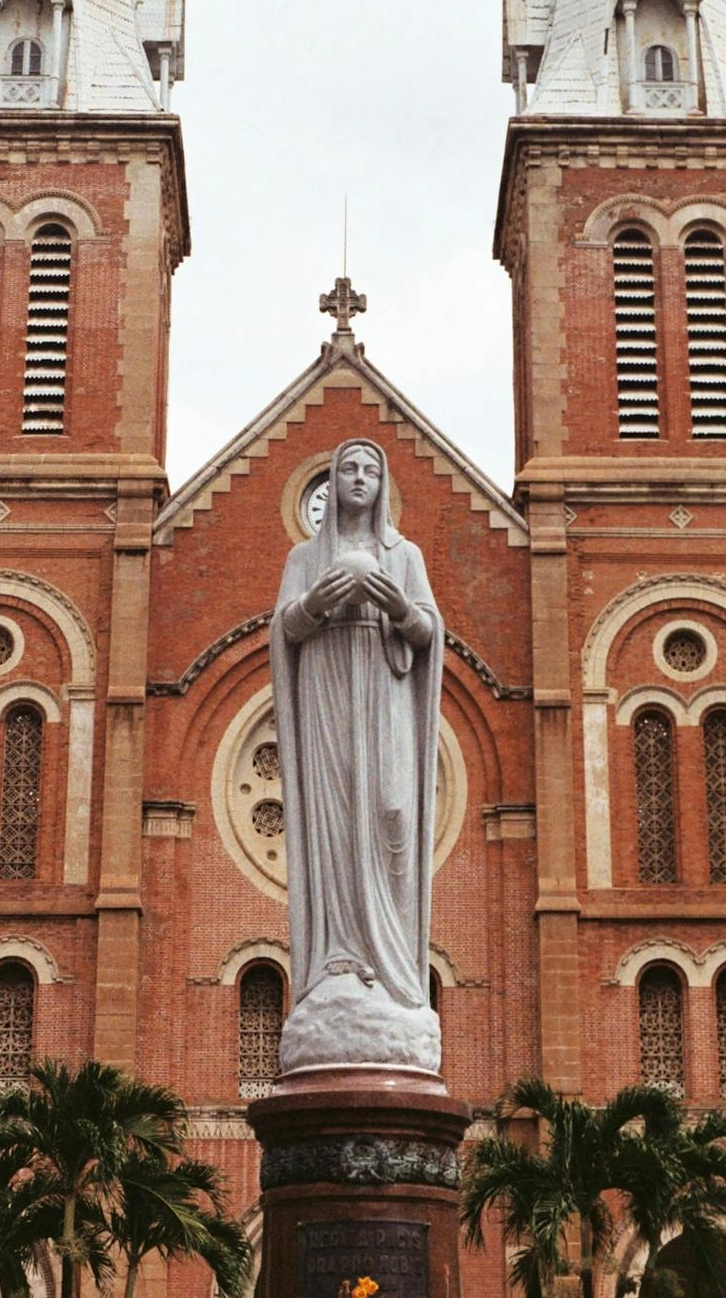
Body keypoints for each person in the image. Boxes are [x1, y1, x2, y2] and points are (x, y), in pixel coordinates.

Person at [270, 438, 443, 1033]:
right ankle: (338, 958)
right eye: (348, 468)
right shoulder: (304, 557)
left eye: (370, 469)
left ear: (383, 483)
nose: (359, 478)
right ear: (334, 479)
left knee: (392, 810)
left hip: (385, 695)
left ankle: (394, 971)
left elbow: (427, 632)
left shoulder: (405, 555)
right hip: (327, 692)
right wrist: (312, 604)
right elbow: (284, 630)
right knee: (335, 821)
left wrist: (401, 610)